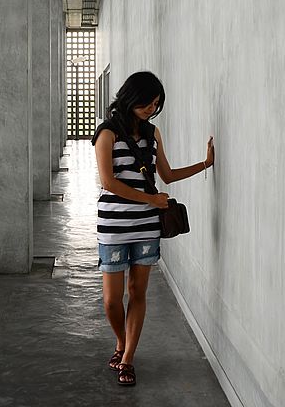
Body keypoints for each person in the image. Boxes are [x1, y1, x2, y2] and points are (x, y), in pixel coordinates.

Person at [91, 71, 214, 386]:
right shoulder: (107, 133)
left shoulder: (152, 133)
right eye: (148, 102)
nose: (152, 108)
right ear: (132, 97)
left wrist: (204, 164)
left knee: (138, 292)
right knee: (111, 299)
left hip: (146, 226)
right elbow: (109, 182)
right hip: (114, 226)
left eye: (157, 104)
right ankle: (121, 341)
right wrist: (149, 198)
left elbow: (168, 175)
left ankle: (128, 357)